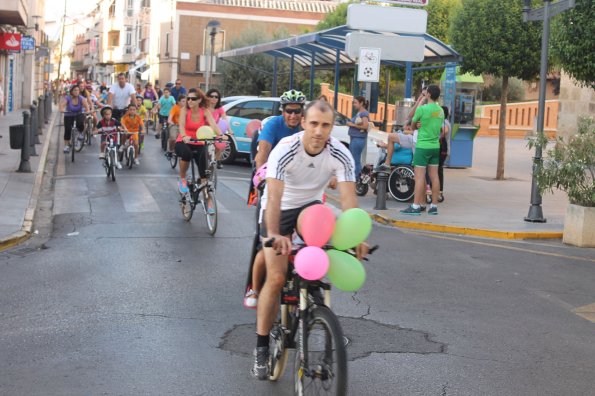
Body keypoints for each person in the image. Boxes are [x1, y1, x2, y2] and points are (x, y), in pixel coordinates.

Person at [252, 100, 369, 380]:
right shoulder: (286, 149)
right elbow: (275, 197)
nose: (319, 131)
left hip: (310, 208)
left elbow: (350, 200)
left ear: (332, 127)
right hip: (278, 208)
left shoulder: (340, 153)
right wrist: (276, 235)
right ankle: (261, 344)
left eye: (326, 125)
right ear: (304, 122)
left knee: (321, 241)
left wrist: (357, 238)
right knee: (277, 278)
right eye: (314, 123)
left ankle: (311, 301)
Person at [245, 89, 306, 309]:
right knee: (265, 242)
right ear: (283, 111)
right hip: (272, 182)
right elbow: (263, 152)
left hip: (297, 187)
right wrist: (263, 178)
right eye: (289, 111)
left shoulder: (306, 126)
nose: (293, 116)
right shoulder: (273, 125)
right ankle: (253, 286)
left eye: (297, 111)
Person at [400, 84, 444, 216]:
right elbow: (439, 128)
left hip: (422, 147)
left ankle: (415, 206)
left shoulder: (422, 109)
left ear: (429, 94)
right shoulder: (440, 111)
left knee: (419, 177)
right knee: (434, 176)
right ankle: (434, 206)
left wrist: (418, 124)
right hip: (435, 147)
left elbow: (412, 126)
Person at [175, 88, 221, 200]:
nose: (190, 101)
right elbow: (181, 126)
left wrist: (220, 135)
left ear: (199, 100)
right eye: (188, 98)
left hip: (198, 142)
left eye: (193, 99)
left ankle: (208, 201)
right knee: (186, 154)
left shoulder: (205, 111)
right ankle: (182, 180)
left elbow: (213, 125)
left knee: (204, 170)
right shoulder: (184, 110)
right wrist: (185, 136)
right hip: (183, 141)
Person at [59, 85, 90, 153]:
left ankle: (80, 133)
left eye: (78, 90)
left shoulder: (81, 98)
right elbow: (62, 105)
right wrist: (62, 109)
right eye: (75, 90)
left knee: (80, 123)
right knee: (67, 129)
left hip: (78, 114)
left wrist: (87, 111)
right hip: (68, 114)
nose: (76, 92)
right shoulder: (68, 98)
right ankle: (66, 146)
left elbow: (87, 107)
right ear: (71, 92)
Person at [345, 96, 370, 179]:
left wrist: (352, 125)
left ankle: (357, 179)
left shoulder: (364, 113)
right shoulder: (359, 113)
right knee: (354, 159)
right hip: (355, 139)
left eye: (355, 102)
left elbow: (365, 126)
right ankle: (357, 178)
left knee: (355, 161)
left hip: (358, 139)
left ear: (361, 103)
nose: (353, 104)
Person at [205, 88, 228, 169]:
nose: (214, 98)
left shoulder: (219, 108)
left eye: (216, 97)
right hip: (204, 131)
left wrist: (230, 130)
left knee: (219, 143)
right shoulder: (204, 108)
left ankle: (218, 161)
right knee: (206, 151)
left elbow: (225, 119)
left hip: (215, 130)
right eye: (212, 96)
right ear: (208, 97)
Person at [438, 106, 451, 201]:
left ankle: (439, 192)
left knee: (438, 170)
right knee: (438, 170)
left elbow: (445, 130)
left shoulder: (444, 122)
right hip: (443, 150)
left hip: (442, 149)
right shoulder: (445, 122)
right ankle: (439, 192)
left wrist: (438, 138)